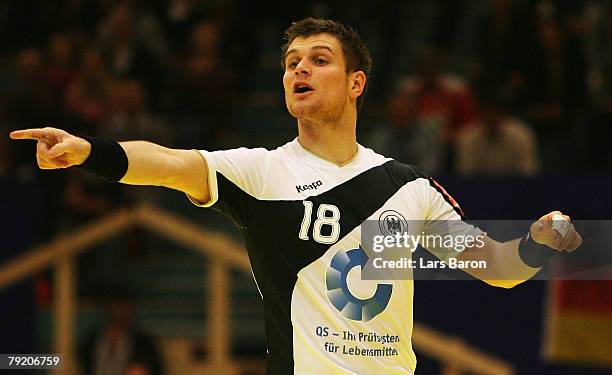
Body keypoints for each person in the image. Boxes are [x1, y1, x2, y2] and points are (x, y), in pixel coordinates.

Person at [10, 18, 582, 375]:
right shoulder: (260, 172)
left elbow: (500, 269)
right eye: (290, 64)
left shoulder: (410, 187)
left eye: (318, 60)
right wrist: (88, 151)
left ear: (356, 83)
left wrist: (538, 242)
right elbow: (169, 164)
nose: (298, 70)